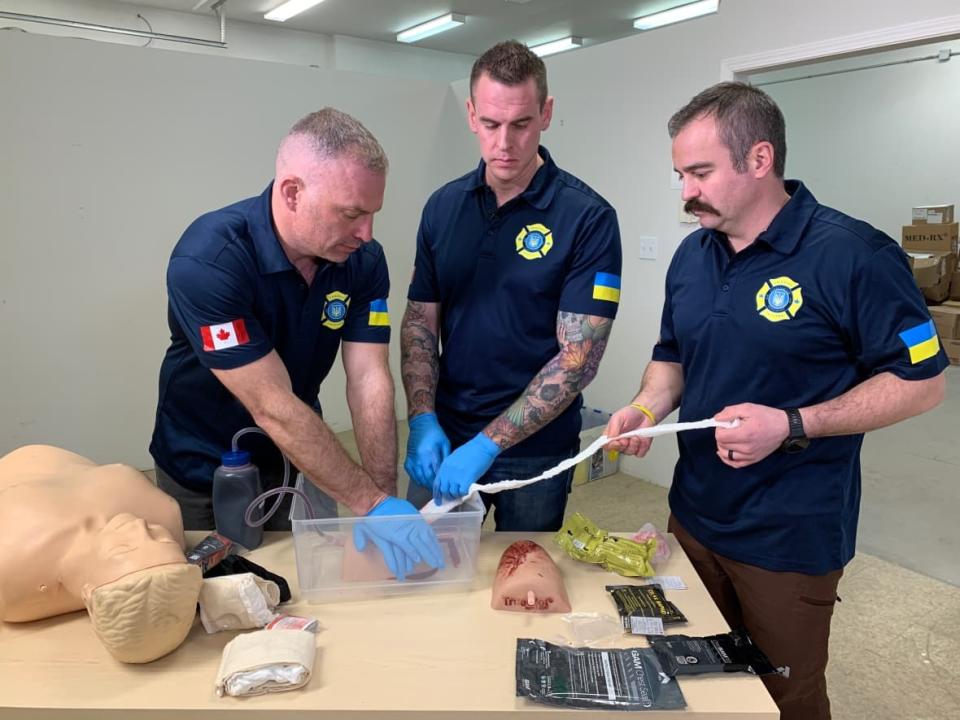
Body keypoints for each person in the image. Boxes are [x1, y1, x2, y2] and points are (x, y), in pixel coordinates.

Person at [604, 82, 948, 720]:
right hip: (693, 516)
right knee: (694, 675)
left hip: (790, 538)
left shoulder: (855, 255)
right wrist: (646, 409)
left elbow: (923, 383)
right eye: (680, 174)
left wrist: (795, 422)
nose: (686, 192)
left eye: (700, 172)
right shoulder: (692, 254)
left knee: (781, 696)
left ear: (759, 160)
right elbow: (672, 355)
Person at [150, 108, 442, 580]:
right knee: (207, 600)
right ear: (292, 192)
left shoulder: (361, 260)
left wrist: (384, 495)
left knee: (297, 585)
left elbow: (369, 377)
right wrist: (370, 502)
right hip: (203, 470)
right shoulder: (211, 260)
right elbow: (272, 404)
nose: (366, 233)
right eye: (351, 214)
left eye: (371, 214)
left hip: (297, 464)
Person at [401, 41, 622, 531]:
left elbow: (577, 359)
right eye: (491, 124)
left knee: (523, 587)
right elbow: (420, 323)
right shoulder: (443, 207)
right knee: (422, 575)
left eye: (521, 124)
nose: (504, 143)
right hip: (447, 435)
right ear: (471, 114)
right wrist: (421, 417)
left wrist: (488, 443)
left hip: (534, 452)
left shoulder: (587, 218)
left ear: (545, 113)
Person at [0, 444, 203, 663]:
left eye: (123, 548)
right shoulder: (165, 514)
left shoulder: (12, 569)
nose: (139, 527)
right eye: (159, 538)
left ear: (89, 596)